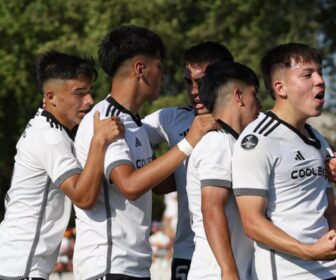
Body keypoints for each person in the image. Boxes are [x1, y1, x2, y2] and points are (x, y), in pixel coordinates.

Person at [73, 25, 218, 280]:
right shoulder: (107, 119)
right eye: (159, 67)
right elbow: (129, 184)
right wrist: (190, 141)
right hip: (108, 266)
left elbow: (158, 183)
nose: (163, 75)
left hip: (133, 267)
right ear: (141, 69)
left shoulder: (133, 123)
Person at [232, 42, 336, 280]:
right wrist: (309, 252)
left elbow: (329, 213)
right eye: (307, 74)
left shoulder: (319, 139)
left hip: (332, 268)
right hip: (290, 273)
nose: (320, 80)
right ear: (281, 88)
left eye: (320, 72)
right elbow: (252, 223)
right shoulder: (257, 140)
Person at [0, 51, 123, 279]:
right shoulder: (49, 136)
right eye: (80, 93)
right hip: (21, 268)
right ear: (51, 96)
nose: (89, 101)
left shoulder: (46, 128)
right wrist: (99, 141)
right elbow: (84, 197)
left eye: (90, 92)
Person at [142, 41, 234, 279]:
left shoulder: (251, 125)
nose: (194, 91)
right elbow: (127, 133)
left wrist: (328, 162)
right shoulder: (173, 119)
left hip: (241, 251)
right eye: (188, 82)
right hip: (188, 253)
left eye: (201, 82)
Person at [186, 61, 260, 280]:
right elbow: (212, 209)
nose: (260, 103)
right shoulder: (217, 143)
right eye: (254, 94)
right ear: (238, 96)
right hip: (215, 274)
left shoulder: (233, 142)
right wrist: (228, 272)